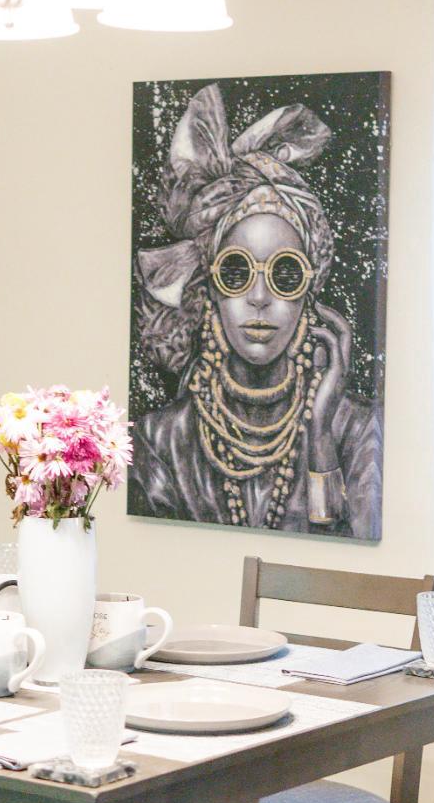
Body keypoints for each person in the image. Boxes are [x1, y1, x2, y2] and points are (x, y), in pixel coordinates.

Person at [129, 83, 382, 537]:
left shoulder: (359, 428)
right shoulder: (160, 441)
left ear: (309, 293)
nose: (260, 297)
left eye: (284, 275)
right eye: (236, 273)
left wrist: (321, 434)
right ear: (210, 290)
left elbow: (352, 567)